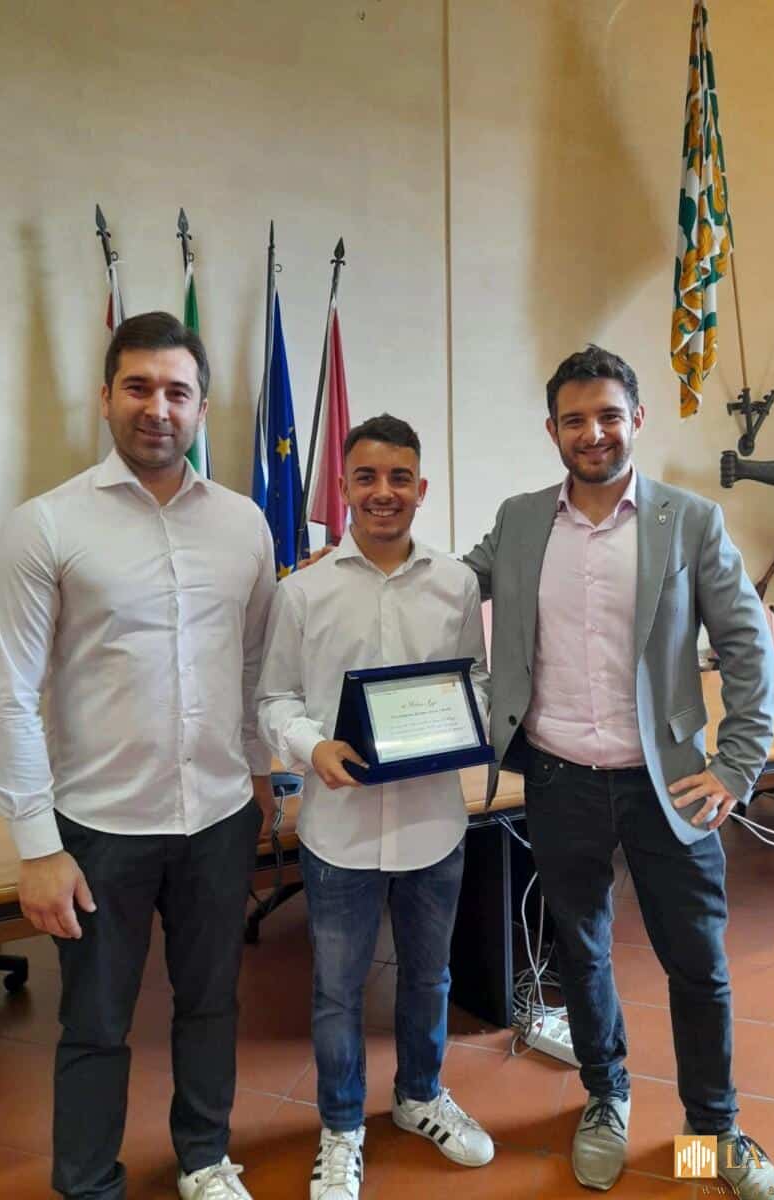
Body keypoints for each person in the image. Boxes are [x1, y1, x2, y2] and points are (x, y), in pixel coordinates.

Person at [463, 346, 774, 1197]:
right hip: (558, 777)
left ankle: (712, 1133)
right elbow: (451, 588)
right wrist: (361, 567)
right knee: (579, 951)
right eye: (574, 420)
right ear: (552, 431)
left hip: (669, 784)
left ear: (636, 419)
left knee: (697, 963)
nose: (594, 433)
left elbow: (748, 645)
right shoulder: (521, 520)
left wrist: (737, 764)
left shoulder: (690, 520)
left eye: (609, 415)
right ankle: (605, 1096)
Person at [0, 312, 276, 1200]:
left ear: (202, 408)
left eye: (177, 391)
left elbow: (253, 665)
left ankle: (205, 1158)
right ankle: (88, 1183)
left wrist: (260, 776)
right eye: (139, 387)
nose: (158, 408)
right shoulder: (45, 525)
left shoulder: (244, 524)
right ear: (105, 397)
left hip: (218, 817)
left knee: (211, 1004)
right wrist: (38, 847)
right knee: (94, 1023)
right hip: (98, 828)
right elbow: (10, 694)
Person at [256, 414, 494, 1200]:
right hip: (341, 831)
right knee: (336, 989)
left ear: (421, 489)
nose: (382, 492)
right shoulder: (303, 591)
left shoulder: (456, 583)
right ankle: (341, 1127)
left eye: (398, 478)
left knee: (429, 976)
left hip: (433, 824)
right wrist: (310, 746)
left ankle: (420, 1096)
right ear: (344, 487)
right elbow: (275, 698)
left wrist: (466, 724)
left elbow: (476, 681)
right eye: (366, 477)